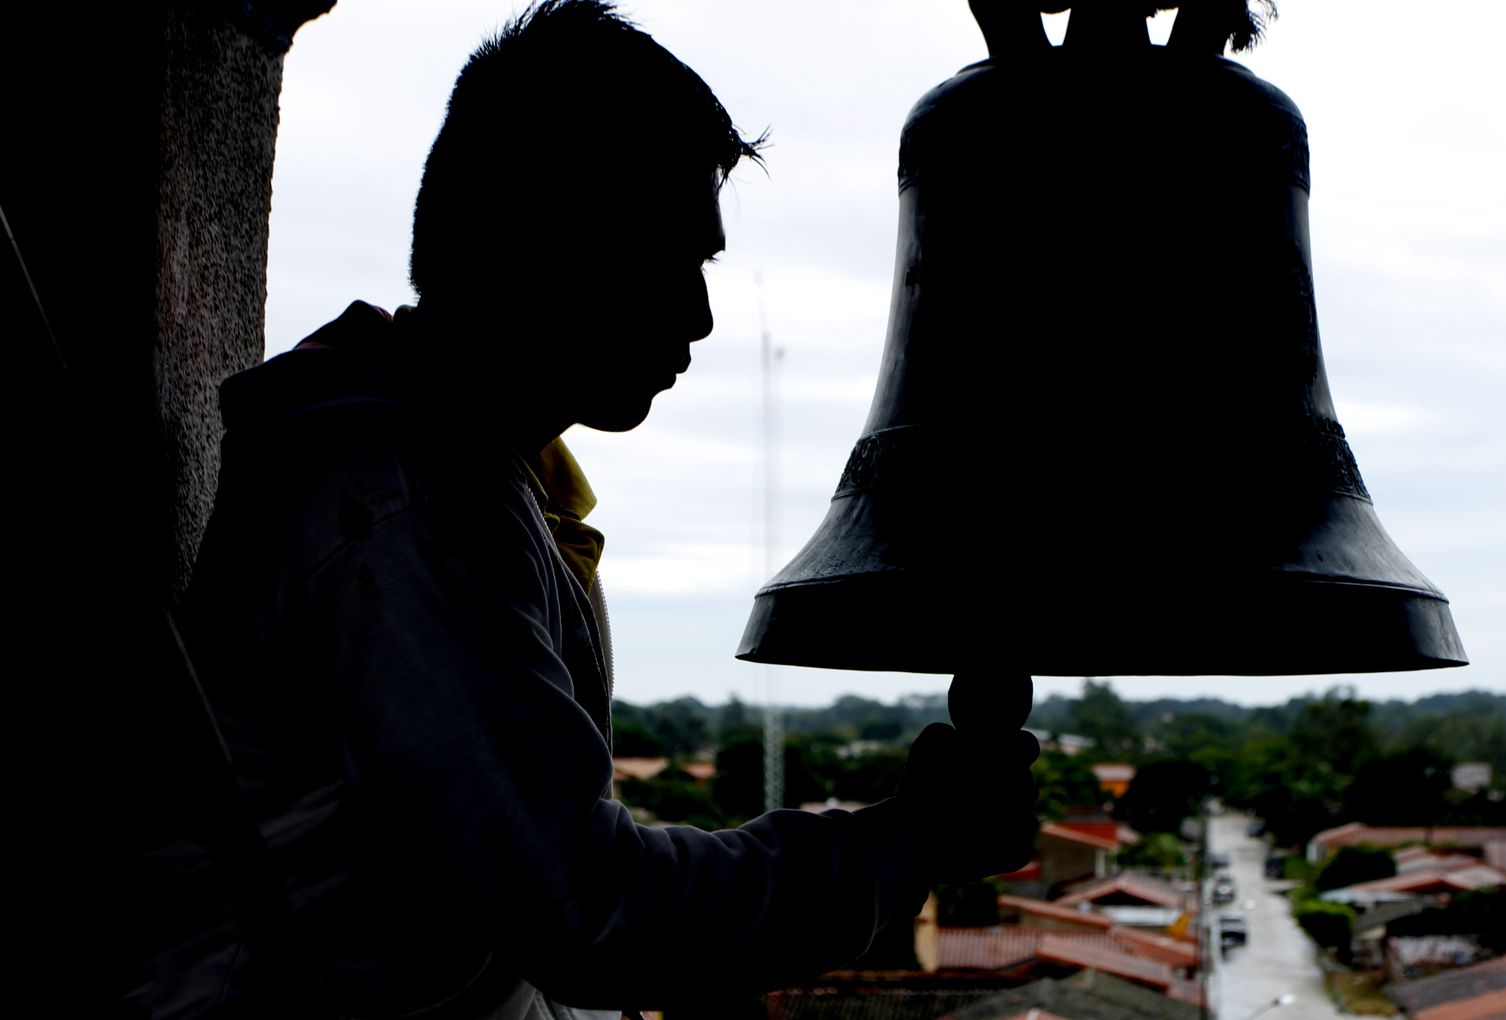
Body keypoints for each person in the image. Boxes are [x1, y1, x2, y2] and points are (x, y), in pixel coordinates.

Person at [158, 3, 1039, 1017]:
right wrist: (910, 840)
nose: (700, 316)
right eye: (672, 259)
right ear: (545, 242)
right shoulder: (403, 509)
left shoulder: (470, 484)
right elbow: (590, 910)